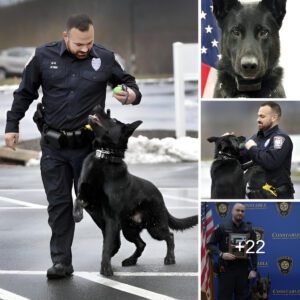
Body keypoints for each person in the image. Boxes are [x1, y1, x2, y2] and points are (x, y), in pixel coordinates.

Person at [4, 14, 141, 279]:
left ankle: (111, 241)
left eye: (89, 42)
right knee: (59, 206)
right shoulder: (43, 56)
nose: (85, 49)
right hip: (53, 147)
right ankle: (62, 262)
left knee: (93, 202)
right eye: (79, 44)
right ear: (66, 36)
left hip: (87, 149)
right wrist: (12, 125)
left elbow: (130, 84)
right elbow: (25, 92)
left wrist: (130, 95)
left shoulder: (104, 58)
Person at [243, 101, 294, 199]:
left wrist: (252, 148)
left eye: (262, 117)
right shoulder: (256, 137)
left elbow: (270, 162)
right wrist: (227, 142)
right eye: (258, 116)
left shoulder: (280, 138)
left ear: (274, 118)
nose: (258, 119)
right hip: (254, 197)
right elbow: (242, 158)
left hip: (276, 198)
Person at [207, 203, 257, 300]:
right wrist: (221, 254)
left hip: (243, 270)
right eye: (237, 210)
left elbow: (253, 251)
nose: (240, 213)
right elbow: (210, 245)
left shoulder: (249, 229)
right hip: (226, 270)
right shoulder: (222, 227)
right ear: (232, 211)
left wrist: (254, 269)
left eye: (242, 211)